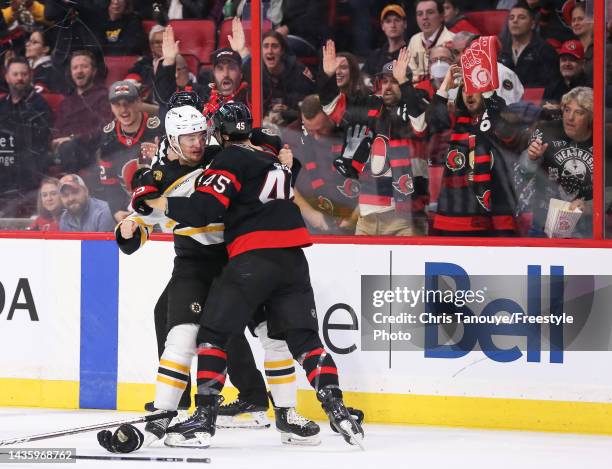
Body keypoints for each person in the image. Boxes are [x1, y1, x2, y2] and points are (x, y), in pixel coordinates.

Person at [143, 102, 364, 449]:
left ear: (218, 133)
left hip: (251, 258)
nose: (200, 141)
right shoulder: (272, 158)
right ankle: (332, 407)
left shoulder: (229, 159)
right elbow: (284, 159)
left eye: (205, 133)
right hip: (293, 260)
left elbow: (205, 209)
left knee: (213, 335)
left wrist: (159, 205)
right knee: (301, 341)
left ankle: (203, 420)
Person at [323, 48, 431, 236]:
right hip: (367, 217)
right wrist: (329, 78)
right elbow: (331, 107)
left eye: (395, 81)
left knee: (407, 267)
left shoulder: (418, 103)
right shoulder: (369, 106)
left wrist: (406, 85)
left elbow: (420, 125)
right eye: (385, 81)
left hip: (406, 219)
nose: (388, 87)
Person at [429, 64, 521, 236]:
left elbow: (510, 136)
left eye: (474, 88)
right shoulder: (456, 122)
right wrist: (445, 85)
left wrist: (488, 93)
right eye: (464, 89)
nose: (469, 94)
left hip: (494, 218)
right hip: (452, 215)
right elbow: (432, 123)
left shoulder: (498, 116)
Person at [520, 86, 593, 237]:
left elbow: (609, 188)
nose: (570, 118)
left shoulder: (604, 139)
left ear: (591, 117)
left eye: (578, 112)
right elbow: (523, 173)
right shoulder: (546, 131)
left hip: (585, 227)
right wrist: (531, 158)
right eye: (567, 110)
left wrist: (591, 206)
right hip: (542, 222)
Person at [292, 95, 359, 234]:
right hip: (313, 221)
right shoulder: (294, 134)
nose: (316, 136)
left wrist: (353, 219)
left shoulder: (352, 135)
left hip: (353, 218)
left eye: (321, 130)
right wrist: (310, 214)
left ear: (331, 116)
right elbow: (287, 183)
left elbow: (371, 182)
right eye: (310, 131)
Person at [97, 80, 162, 223]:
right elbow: (109, 181)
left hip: (161, 201)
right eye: (117, 104)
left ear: (139, 102)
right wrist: (116, 210)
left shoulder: (157, 128)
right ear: (111, 107)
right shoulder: (108, 136)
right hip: (128, 206)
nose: (123, 109)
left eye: (128, 102)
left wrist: (161, 155)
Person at [0, 56, 52, 217]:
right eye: (15, 74)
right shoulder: (2, 104)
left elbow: (40, 144)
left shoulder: (39, 105)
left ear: (30, 76)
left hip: (27, 169)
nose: (19, 78)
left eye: (23, 74)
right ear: (7, 77)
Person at [52, 50, 112, 175]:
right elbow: (57, 130)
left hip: (89, 149)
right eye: (75, 67)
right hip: (63, 150)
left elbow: (104, 128)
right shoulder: (67, 102)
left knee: (68, 148)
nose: (79, 71)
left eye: (84, 66)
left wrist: (74, 138)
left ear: (94, 71)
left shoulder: (104, 96)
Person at [242, 30, 315, 127]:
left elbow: (307, 105)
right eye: (266, 46)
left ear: (282, 50)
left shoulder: (299, 71)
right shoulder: (254, 71)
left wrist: (288, 110)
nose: (270, 51)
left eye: (275, 46)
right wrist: (268, 111)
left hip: (293, 127)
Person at [497, 2, 560, 88]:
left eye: (521, 17)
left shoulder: (545, 51)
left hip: (535, 99)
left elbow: (551, 86)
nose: (515, 21)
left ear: (533, 24)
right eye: (511, 18)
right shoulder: (500, 50)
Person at [407, 0, 455, 82]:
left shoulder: (452, 40)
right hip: (416, 92)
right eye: (420, 14)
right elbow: (409, 74)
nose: (424, 17)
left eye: (430, 12)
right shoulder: (414, 39)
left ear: (441, 16)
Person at [362, 4, 409, 80]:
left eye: (397, 20)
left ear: (405, 24)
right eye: (388, 21)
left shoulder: (411, 53)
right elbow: (362, 78)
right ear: (382, 26)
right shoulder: (375, 56)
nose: (393, 25)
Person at [543, 39, 590, 107]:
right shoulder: (553, 86)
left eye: (572, 60)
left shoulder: (589, 86)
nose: (567, 64)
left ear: (582, 63)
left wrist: (558, 109)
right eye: (564, 60)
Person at [125, 25, 165, 103]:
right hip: (146, 105)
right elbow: (129, 83)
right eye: (157, 42)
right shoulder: (142, 64)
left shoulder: (179, 64)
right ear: (151, 46)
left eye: (164, 42)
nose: (161, 45)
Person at [25, 29, 66, 94]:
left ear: (45, 49)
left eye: (34, 42)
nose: (27, 44)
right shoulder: (26, 66)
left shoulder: (49, 70)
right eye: (29, 41)